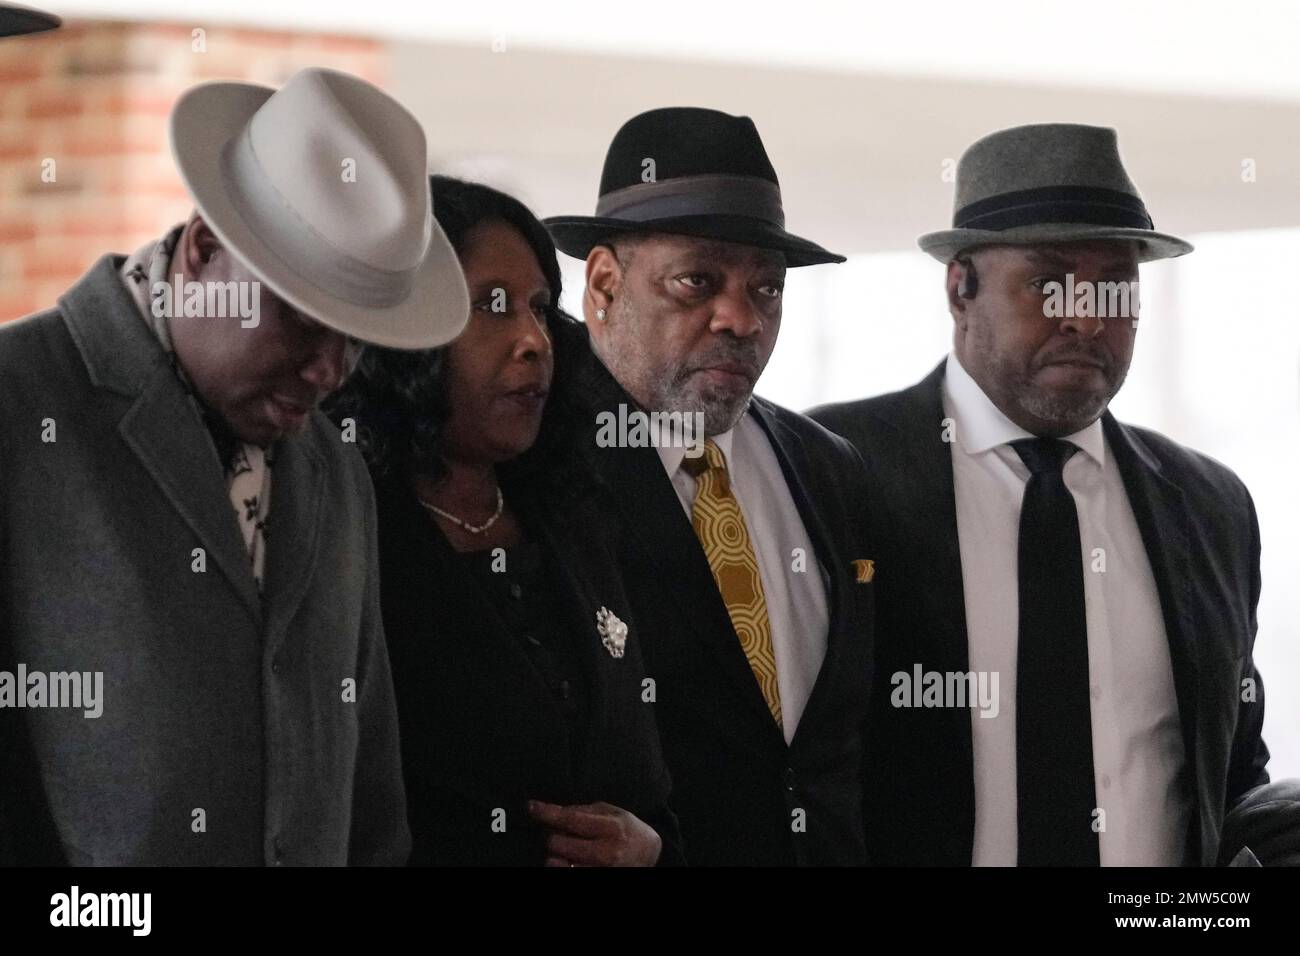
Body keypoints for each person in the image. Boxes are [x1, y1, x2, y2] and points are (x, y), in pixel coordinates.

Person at [0, 67, 469, 865]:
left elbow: (370, 785)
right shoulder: (20, 404)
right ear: (204, 250)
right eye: (300, 320)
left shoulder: (333, 468)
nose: (329, 371)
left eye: (355, 338)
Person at [809, 123, 1269, 866]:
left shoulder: (1211, 506)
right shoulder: (830, 470)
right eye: (1050, 282)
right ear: (960, 286)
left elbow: (1235, 772)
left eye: (1114, 284)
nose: (1087, 317)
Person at [544, 107, 876, 866]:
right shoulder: (542, 465)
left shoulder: (829, 468)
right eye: (698, 281)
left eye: (767, 290)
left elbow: (840, 752)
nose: (739, 318)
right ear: (602, 284)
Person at [327, 175, 682, 867]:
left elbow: (644, 777)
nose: (533, 340)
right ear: (409, 325)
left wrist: (651, 851)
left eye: (541, 308)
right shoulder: (344, 526)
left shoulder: (574, 516)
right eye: (493, 306)